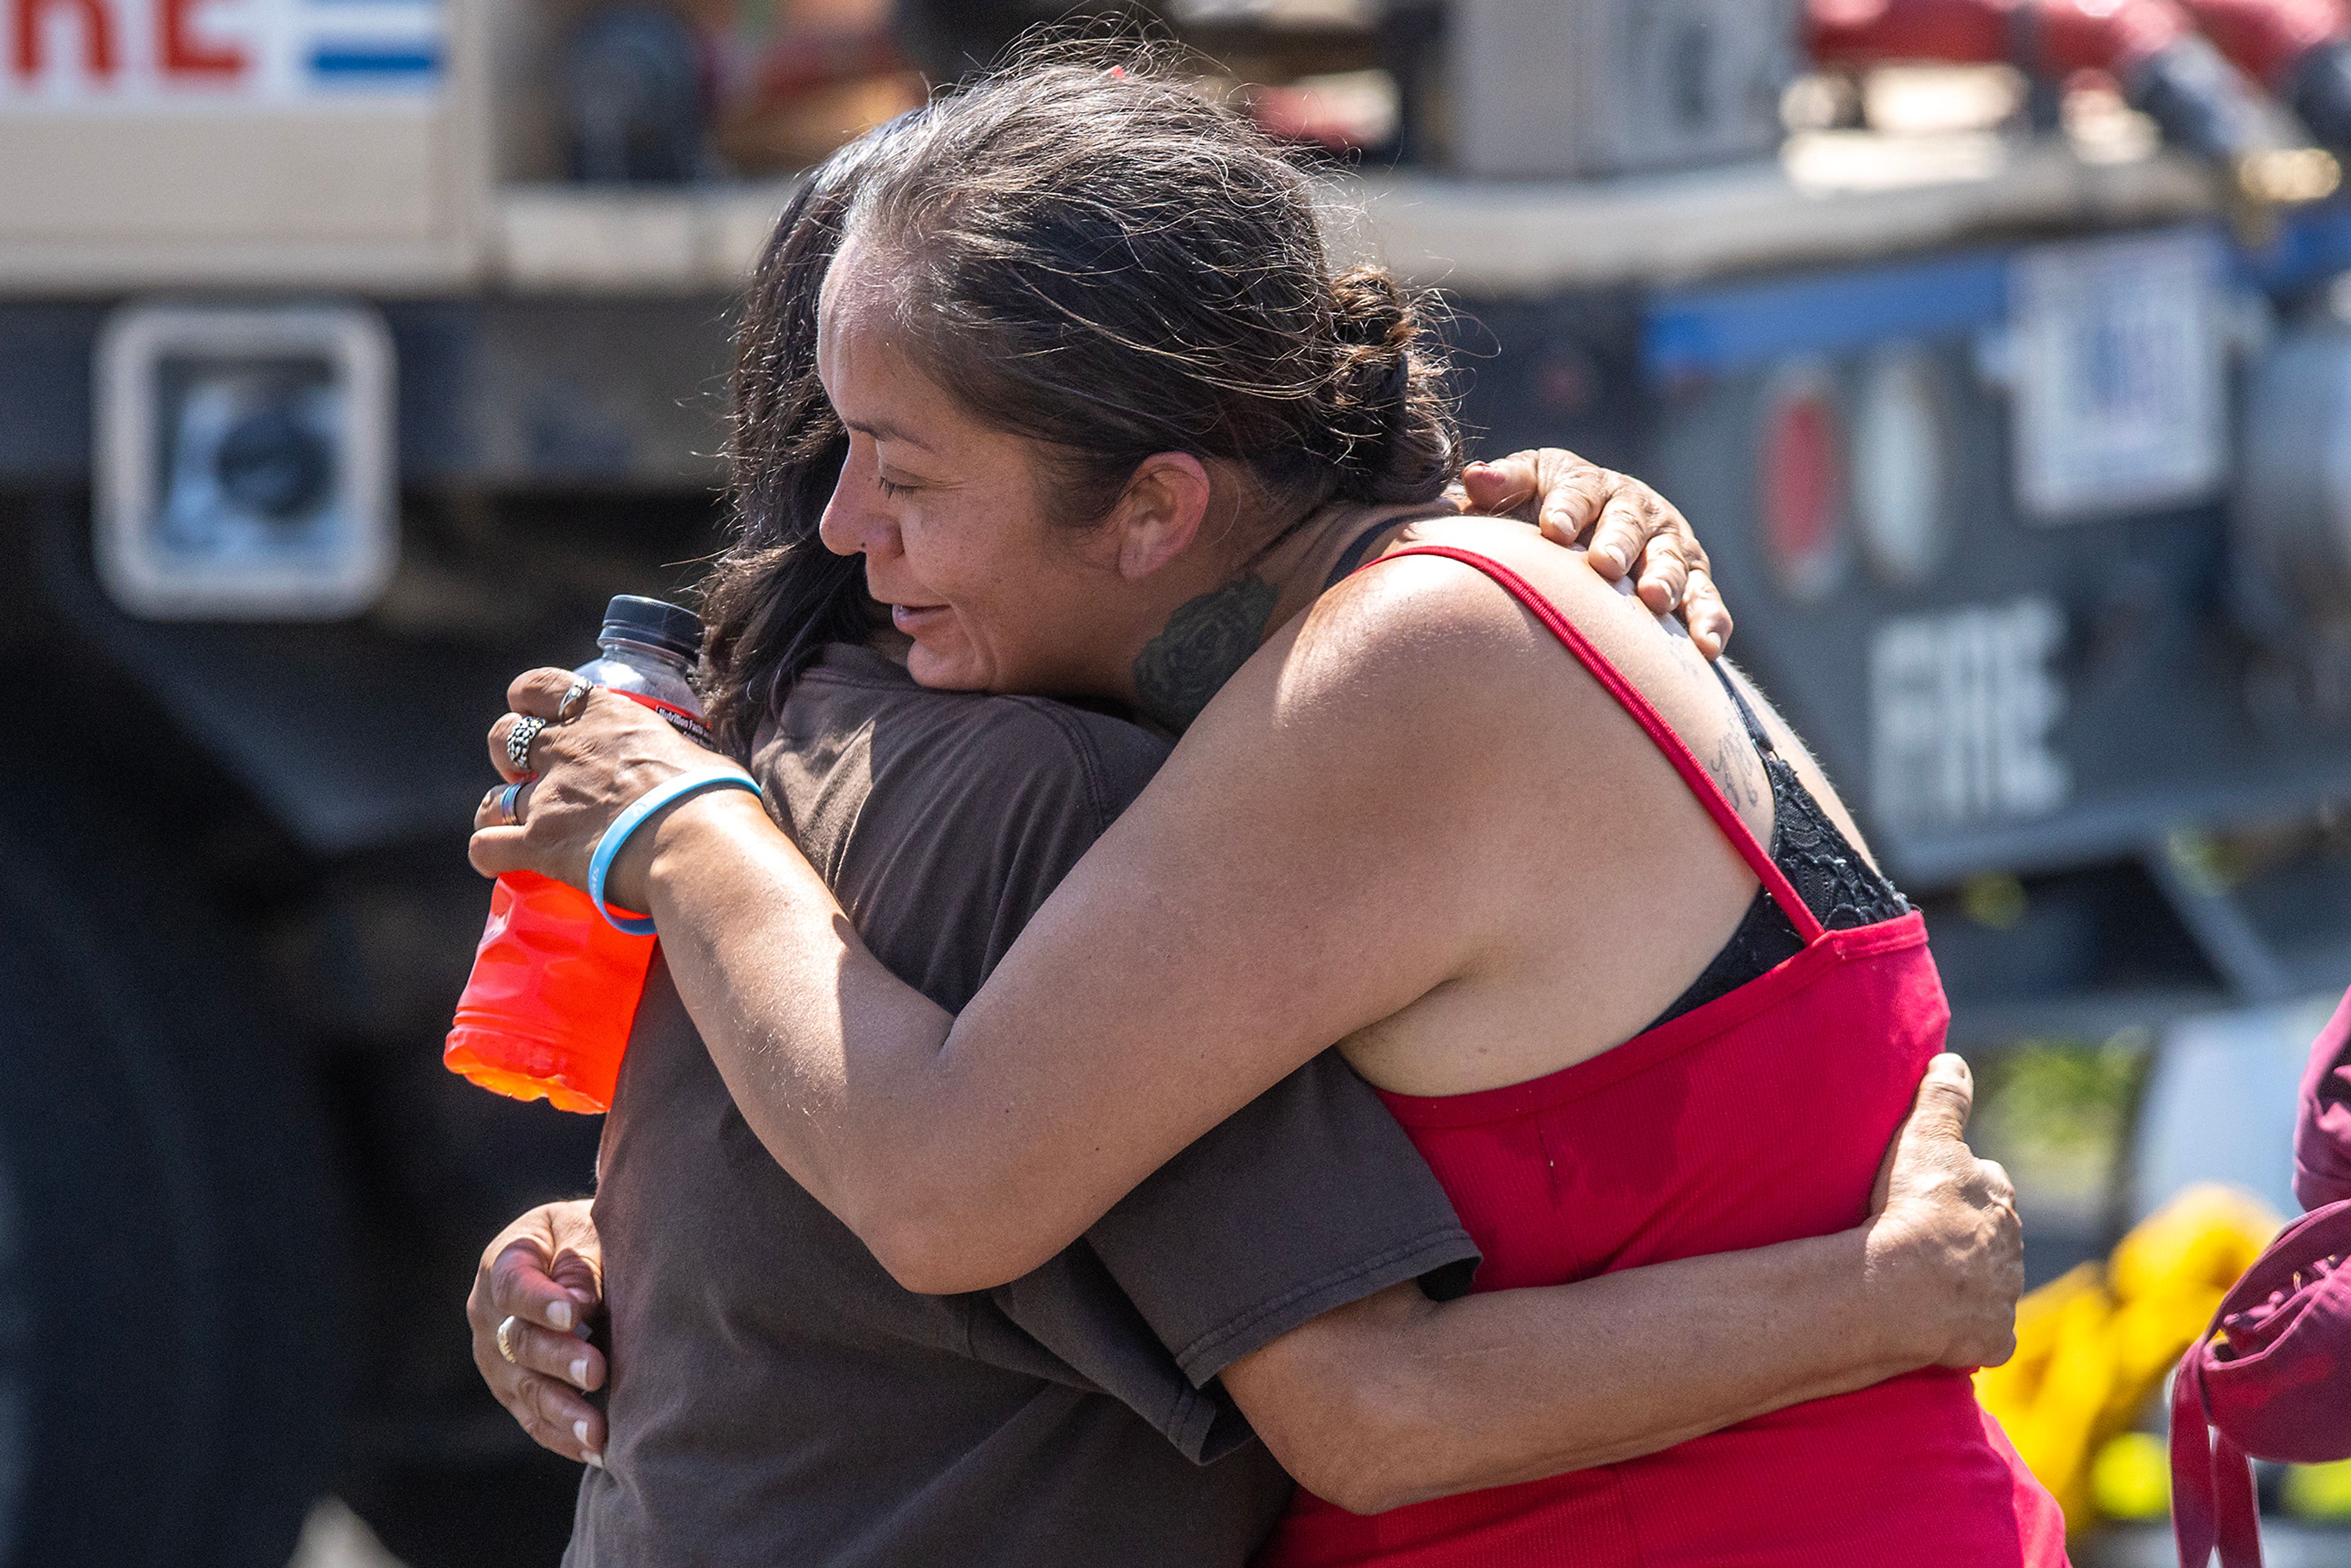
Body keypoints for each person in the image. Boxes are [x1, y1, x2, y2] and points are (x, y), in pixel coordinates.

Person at [471, 76, 2048, 1567]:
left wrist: (680, 826)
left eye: (905, 473)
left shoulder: (1404, 676)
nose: (839, 525)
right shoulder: (1383, 641)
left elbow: (951, 1186)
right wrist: (637, 1248)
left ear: (1158, 509)